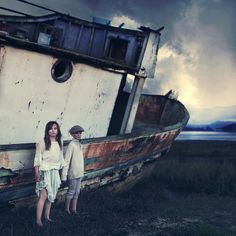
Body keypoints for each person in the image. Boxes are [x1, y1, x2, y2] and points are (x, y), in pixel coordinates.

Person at [34, 121, 65, 226]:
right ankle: (38, 220)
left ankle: (47, 217)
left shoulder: (60, 141)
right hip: (44, 171)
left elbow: (60, 156)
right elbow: (37, 157)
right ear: (47, 130)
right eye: (50, 128)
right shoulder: (43, 142)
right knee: (44, 195)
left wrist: (61, 170)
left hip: (54, 172)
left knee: (51, 195)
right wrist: (37, 172)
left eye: (55, 128)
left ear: (58, 130)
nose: (53, 130)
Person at [61, 125, 85, 214]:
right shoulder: (71, 145)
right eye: (76, 133)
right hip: (73, 173)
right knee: (71, 191)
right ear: (72, 134)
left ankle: (74, 209)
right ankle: (67, 209)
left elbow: (79, 160)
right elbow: (66, 161)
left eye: (80, 133)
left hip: (79, 173)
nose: (79, 135)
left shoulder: (79, 144)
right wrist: (64, 175)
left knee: (77, 192)